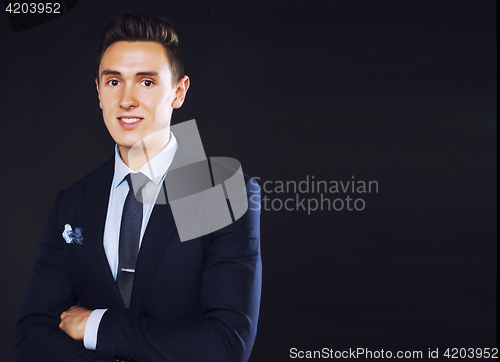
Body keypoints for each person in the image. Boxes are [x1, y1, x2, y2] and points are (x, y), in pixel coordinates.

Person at [15, 11, 261, 362]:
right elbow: (31, 335)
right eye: (114, 82)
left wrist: (98, 326)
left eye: (146, 82)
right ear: (99, 92)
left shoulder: (218, 190)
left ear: (178, 92)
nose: (127, 99)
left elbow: (224, 344)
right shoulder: (73, 202)